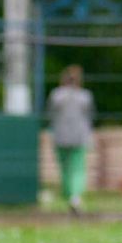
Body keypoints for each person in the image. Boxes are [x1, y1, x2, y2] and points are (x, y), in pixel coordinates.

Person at [46, 65, 95, 216]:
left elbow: (50, 114)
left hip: (61, 137)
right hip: (79, 138)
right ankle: (75, 198)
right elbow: (91, 116)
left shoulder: (56, 95)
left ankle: (69, 195)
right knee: (78, 169)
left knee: (65, 169)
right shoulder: (85, 96)